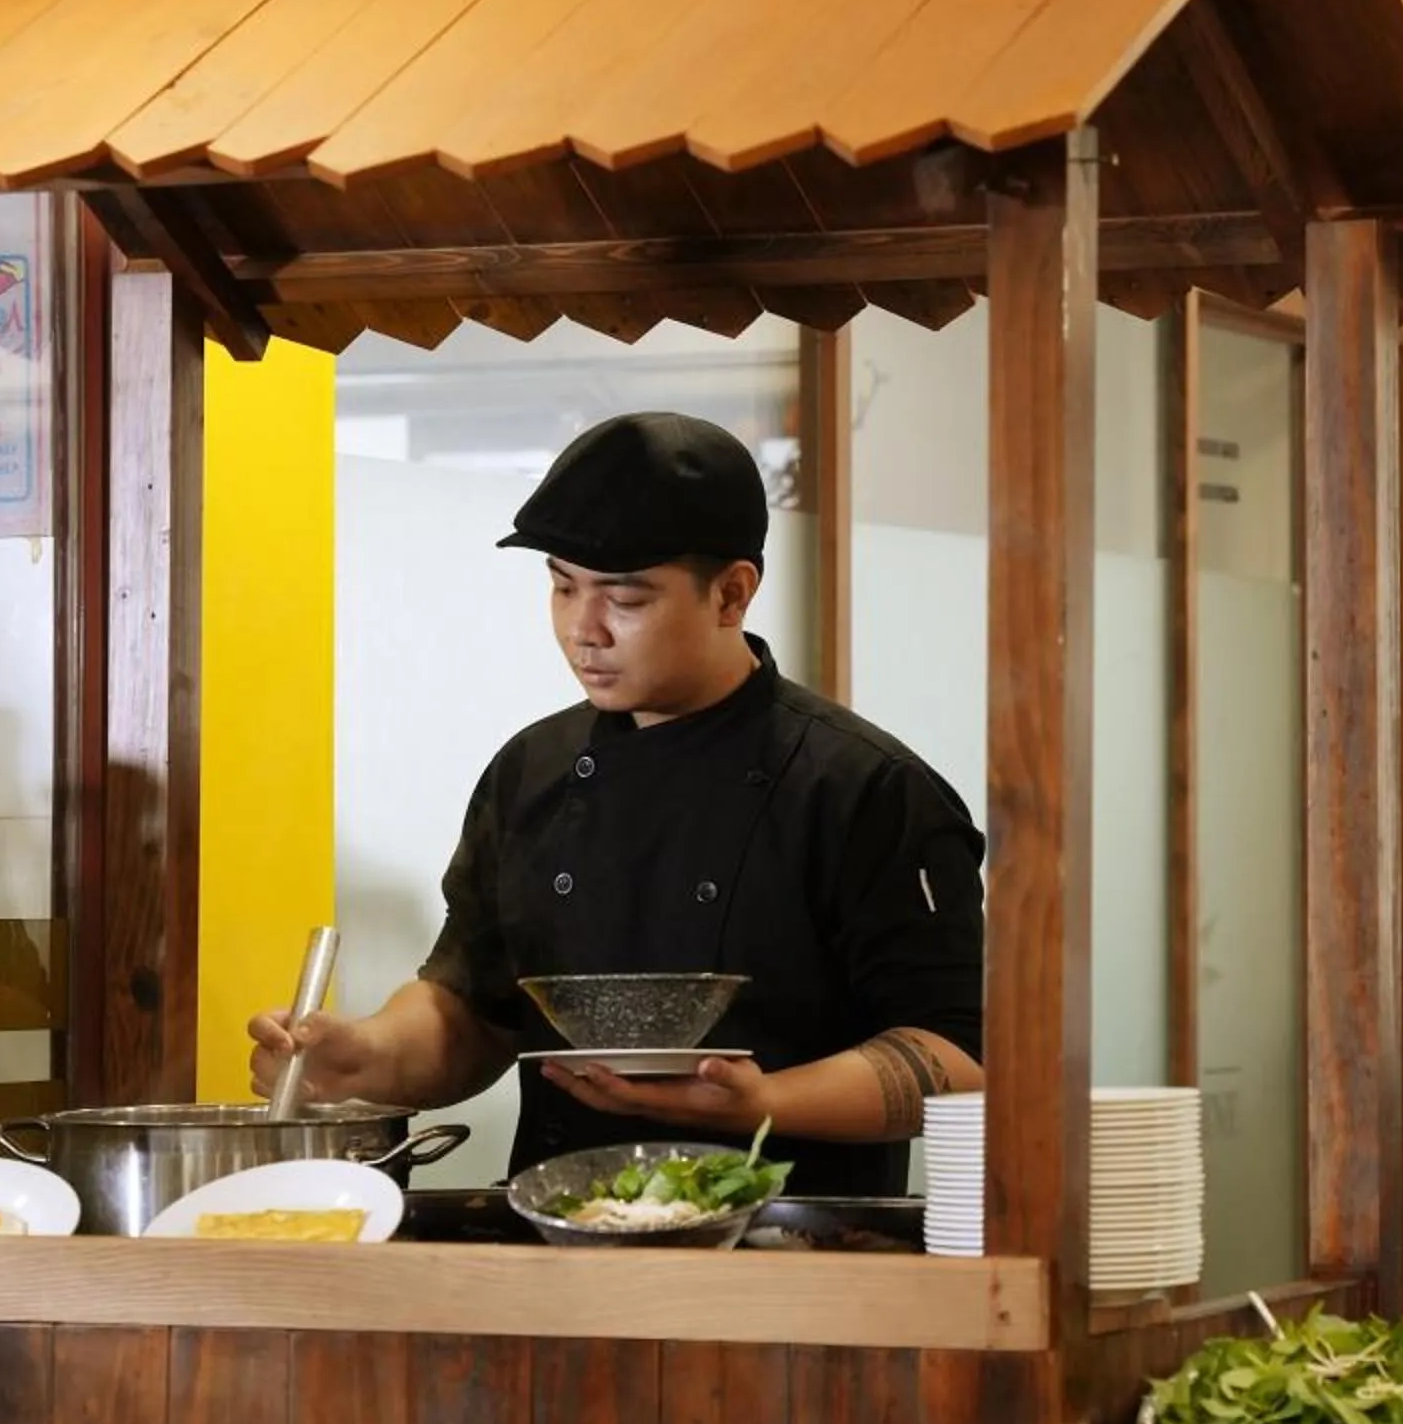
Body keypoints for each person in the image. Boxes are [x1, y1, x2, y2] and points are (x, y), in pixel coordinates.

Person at [249, 411, 986, 1196]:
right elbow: (473, 1009)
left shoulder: (863, 788)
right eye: (562, 587)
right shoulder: (531, 771)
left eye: (624, 599)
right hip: (555, 1241)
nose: (582, 629)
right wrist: (364, 1056)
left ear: (732, 593)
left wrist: (762, 1103)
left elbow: (959, 1056)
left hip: (794, 1262)